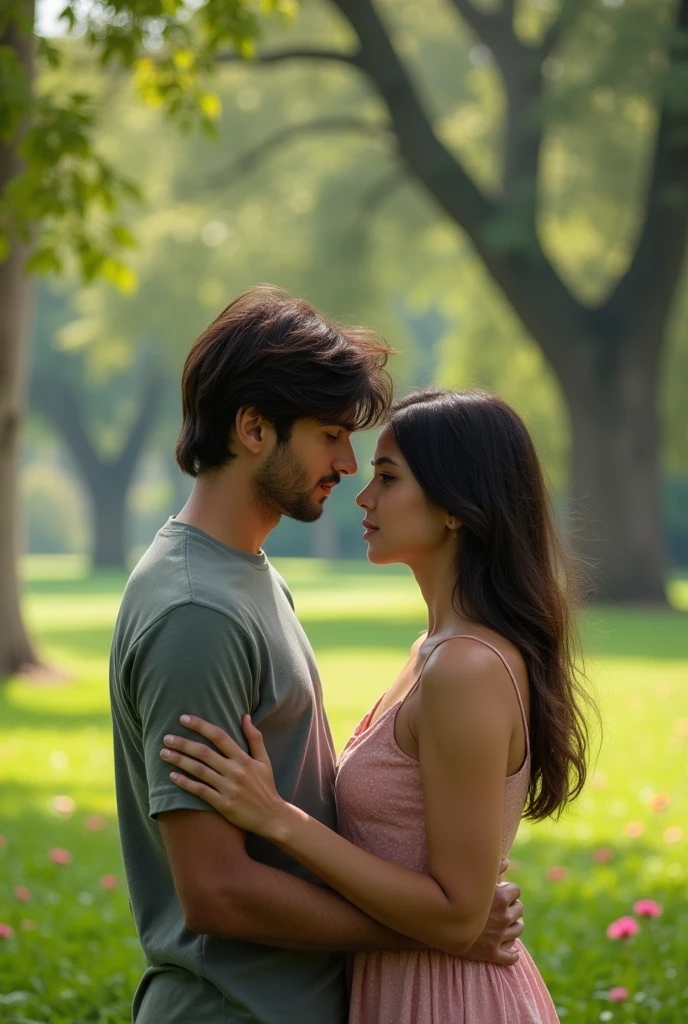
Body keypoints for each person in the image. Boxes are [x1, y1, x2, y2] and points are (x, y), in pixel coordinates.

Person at [109, 290, 525, 1024]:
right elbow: (217, 890)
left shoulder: (248, 577)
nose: (348, 462)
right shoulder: (197, 611)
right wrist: (438, 927)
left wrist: (441, 918)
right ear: (253, 428)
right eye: (331, 433)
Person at [160, 387, 596, 1024]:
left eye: (387, 479)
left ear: (455, 508)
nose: (363, 497)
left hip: (448, 999)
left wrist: (278, 818)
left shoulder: (466, 668)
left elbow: (457, 914)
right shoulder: (432, 650)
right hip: (397, 984)